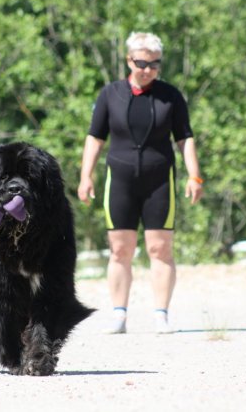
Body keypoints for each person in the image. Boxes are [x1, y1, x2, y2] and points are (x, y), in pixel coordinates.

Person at [77, 32, 203, 334]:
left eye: (154, 64)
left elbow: (185, 138)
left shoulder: (170, 96)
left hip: (159, 181)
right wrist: (86, 176)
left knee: (160, 248)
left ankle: (161, 315)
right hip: (120, 180)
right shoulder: (110, 94)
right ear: (129, 61)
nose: (147, 69)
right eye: (141, 63)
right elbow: (95, 138)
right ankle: (119, 315)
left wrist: (194, 176)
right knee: (120, 249)